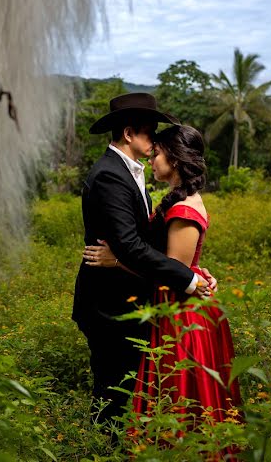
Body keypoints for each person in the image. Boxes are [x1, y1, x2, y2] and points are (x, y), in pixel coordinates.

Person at [84, 123, 242, 437]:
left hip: (181, 309)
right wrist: (195, 270)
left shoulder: (184, 207)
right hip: (171, 300)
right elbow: (175, 260)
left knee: (180, 391)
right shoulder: (174, 198)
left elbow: (172, 268)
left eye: (158, 153)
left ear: (175, 156)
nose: (153, 159)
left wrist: (116, 260)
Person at [72, 92, 217, 428]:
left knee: (130, 391)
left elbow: (144, 243)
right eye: (150, 133)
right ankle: (107, 450)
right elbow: (131, 246)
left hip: (132, 299)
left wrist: (189, 268)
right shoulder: (110, 174)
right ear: (128, 134)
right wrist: (188, 278)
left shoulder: (129, 172)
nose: (154, 142)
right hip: (110, 306)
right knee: (113, 394)